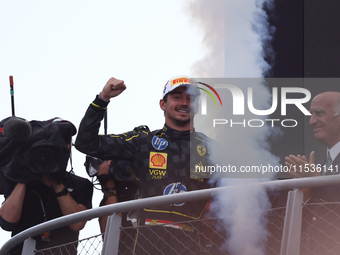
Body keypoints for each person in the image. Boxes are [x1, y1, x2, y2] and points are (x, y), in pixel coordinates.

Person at [75, 75, 216, 254]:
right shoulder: (144, 141)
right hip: (148, 237)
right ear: (162, 104)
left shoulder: (211, 149)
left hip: (190, 239)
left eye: (191, 98)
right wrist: (103, 98)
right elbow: (85, 143)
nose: (184, 102)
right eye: (177, 97)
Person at [0, 119, 93, 255]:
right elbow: (7, 223)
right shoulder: (17, 182)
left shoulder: (81, 184)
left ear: (68, 147)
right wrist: (23, 175)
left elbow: (77, 224)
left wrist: (57, 183)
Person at [285, 91, 340, 254]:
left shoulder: (317, 171)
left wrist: (316, 181)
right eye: (311, 114)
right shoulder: (321, 165)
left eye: (320, 113)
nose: (311, 121)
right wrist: (306, 190)